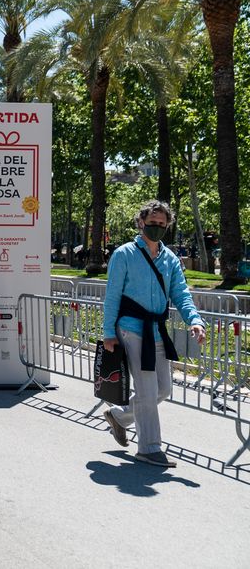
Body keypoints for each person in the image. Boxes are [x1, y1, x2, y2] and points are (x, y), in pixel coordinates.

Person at [101, 200, 205, 468]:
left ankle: (119, 416)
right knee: (147, 390)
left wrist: (195, 320)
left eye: (161, 224)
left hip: (157, 330)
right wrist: (108, 333)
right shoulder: (124, 254)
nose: (156, 227)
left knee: (163, 389)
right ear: (140, 222)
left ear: (167, 225)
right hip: (131, 329)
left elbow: (181, 293)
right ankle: (149, 448)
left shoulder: (170, 259)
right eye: (152, 223)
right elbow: (112, 295)